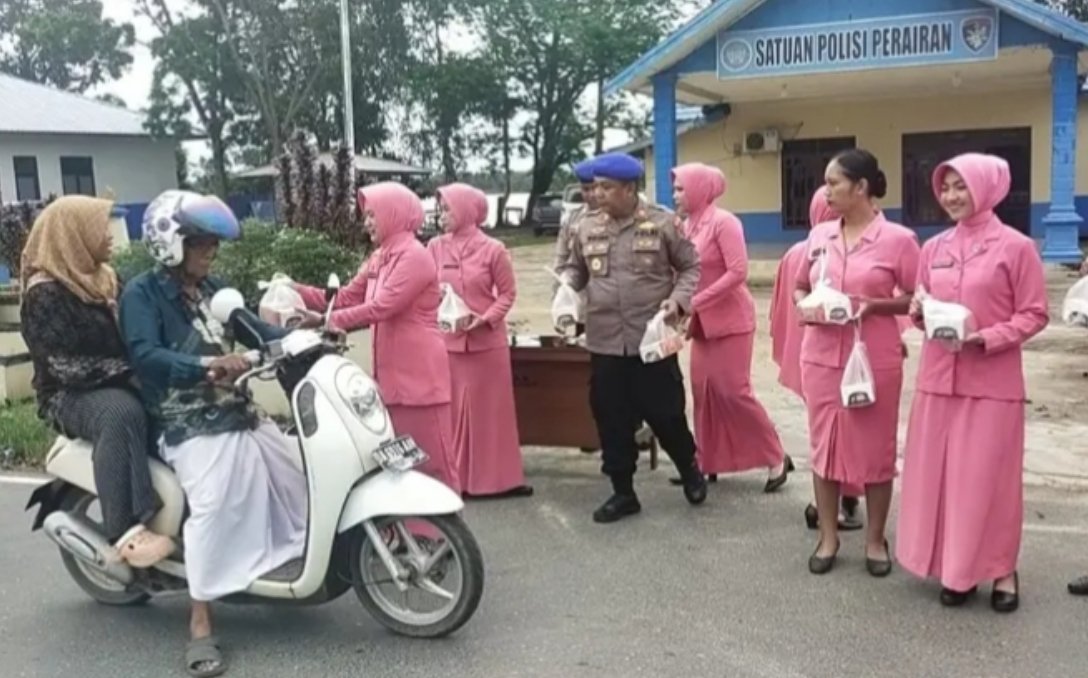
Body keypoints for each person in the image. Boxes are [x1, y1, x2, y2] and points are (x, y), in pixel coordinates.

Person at [120, 190, 308, 677]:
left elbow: (251, 329)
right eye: (201, 242)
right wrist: (206, 366)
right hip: (181, 418)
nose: (212, 250)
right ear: (171, 244)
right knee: (215, 499)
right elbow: (146, 356)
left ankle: (269, 565)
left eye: (212, 242)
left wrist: (302, 337)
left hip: (232, 408)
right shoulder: (141, 294)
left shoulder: (215, 290)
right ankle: (200, 618)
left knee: (291, 471)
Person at [896, 153, 1047, 612]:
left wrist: (988, 338)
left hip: (992, 383)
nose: (951, 196)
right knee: (943, 480)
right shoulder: (934, 248)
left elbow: (1034, 313)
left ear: (986, 187)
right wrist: (919, 313)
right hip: (938, 381)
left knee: (989, 481)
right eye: (945, 187)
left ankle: (1002, 569)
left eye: (961, 186)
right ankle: (956, 569)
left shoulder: (1016, 248)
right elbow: (922, 306)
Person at [19, 196, 175, 568]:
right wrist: (130, 374)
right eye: (99, 228)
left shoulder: (105, 279)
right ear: (73, 235)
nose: (108, 235)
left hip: (116, 377)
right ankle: (125, 530)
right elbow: (63, 366)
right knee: (120, 413)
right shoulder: (44, 294)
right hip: (67, 393)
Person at [559, 152, 707, 523]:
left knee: (666, 413)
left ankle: (690, 469)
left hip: (651, 339)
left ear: (629, 189)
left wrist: (678, 301)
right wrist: (566, 292)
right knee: (611, 417)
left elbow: (690, 266)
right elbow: (575, 270)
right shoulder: (585, 226)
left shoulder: (662, 222)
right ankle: (623, 492)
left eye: (607, 188)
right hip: (605, 340)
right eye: (596, 187)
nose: (598, 194)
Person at [793, 149, 920, 576]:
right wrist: (805, 304)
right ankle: (828, 536)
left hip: (874, 356)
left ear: (861, 187)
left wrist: (875, 306)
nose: (825, 191)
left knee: (875, 448)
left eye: (834, 183)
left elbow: (917, 297)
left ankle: (875, 539)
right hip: (821, 356)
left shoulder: (899, 239)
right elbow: (799, 285)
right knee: (823, 447)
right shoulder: (819, 236)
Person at [294, 182, 460, 493]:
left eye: (373, 215)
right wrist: (296, 290)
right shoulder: (379, 257)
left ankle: (442, 522)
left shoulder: (414, 256)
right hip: (391, 375)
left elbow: (382, 307)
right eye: (366, 216)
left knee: (433, 461)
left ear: (393, 213)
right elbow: (345, 297)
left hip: (420, 376)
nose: (367, 223)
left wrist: (326, 321)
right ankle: (410, 520)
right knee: (403, 464)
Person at [669, 162, 792, 490]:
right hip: (703, 325)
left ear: (699, 189)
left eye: (681, 189)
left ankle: (775, 456)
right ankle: (706, 460)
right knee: (703, 392)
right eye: (675, 189)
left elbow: (738, 272)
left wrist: (696, 301)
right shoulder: (687, 225)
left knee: (733, 392)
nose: (675, 195)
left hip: (731, 321)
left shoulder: (724, 223)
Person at [427, 182, 531, 498]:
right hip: (450, 342)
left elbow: (508, 293)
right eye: (440, 210)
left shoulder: (493, 249)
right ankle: (456, 479)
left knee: (490, 414)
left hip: (486, 343)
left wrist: (486, 318)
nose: (442, 216)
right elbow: (426, 288)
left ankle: (499, 480)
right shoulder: (435, 247)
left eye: (448, 209)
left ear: (466, 211)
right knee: (453, 413)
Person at [775, 190, 864, 532]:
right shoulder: (835, 248)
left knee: (825, 429)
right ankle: (839, 497)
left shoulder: (796, 252)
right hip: (847, 352)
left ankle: (835, 496)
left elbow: (782, 311)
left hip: (809, 351)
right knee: (848, 426)